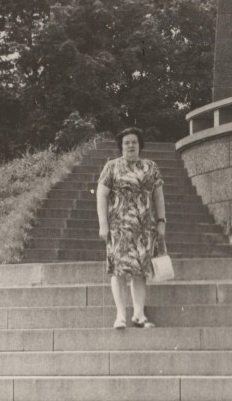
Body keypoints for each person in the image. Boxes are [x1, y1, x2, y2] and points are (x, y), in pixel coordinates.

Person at [96, 126, 166, 329]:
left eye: (134, 142)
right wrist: (103, 224)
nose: (130, 145)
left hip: (144, 228)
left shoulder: (150, 167)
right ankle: (120, 316)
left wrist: (161, 221)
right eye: (126, 142)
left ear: (140, 145)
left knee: (140, 270)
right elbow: (101, 195)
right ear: (121, 146)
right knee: (118, 270)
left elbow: (158, 195)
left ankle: (138, 314)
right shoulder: (112, 167)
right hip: (118, 227)